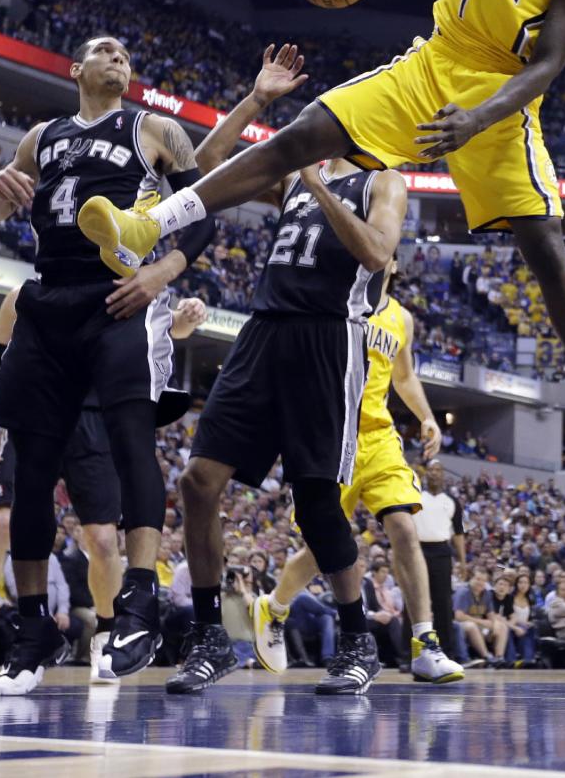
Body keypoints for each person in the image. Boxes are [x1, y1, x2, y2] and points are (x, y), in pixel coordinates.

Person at [77, 0, 565, 483]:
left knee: (542, 241)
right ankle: (148, 224)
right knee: (300, 135)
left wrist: (477, 118)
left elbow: (547, 65)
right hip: (432, 63)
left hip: (498, 95)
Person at [120, 58, 404, 697]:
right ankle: (209, 636)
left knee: (316, 501)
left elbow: (377, 253)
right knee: (198, 481)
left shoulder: (383, 182)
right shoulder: (295, 173)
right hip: (264, 332)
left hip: (329, 339)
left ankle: (359, 642)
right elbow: (207, 171)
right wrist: (253, 99)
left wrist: (320, 185)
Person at [0, 34, 222, 695]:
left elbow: (202, 212)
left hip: (119, 296)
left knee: (132, 439)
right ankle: (34, 629)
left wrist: (164, 270)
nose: (118, 55)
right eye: (102, 49)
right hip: (49, 296)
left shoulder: (154, 128)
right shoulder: (42, 136)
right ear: (77, 68)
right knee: (29, 474)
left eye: (124, 52)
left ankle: (139, 601)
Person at [0, 286, 206, 688]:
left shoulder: (119, 288)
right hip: (33, 409)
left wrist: (188, 315)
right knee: (1, 523)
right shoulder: (25, 294)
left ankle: (104, 635)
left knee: (99, 539)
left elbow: (170, 329)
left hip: (94, 417)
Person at [251, 258, 463, 685]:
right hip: (330, 434)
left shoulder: (401, 317)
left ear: (396, 262)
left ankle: (425, 643)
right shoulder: (334, 296)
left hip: (379, 436)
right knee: (322, 550)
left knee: (404, 526)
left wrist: (426, 416)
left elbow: (404, 377)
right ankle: (274, 606)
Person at [413, 463, 467, 661]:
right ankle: (408, 654)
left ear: (444, 475)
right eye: (431, 470)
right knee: (415, 601)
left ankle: (447, 652)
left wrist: (462, 561)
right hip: (417, 550)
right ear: (426, 475)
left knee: (443, 603)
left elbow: (459, 534)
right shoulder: (415, 496)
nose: (434, 473)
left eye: (438, 470)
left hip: (442, 551)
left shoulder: (452, 501)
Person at [454, 566, 508, 667]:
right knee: (471, 626)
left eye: (484, 580)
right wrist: (481, 622)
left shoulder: (486, 593)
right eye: (478, 579)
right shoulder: (463, 592)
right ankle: (487, 657)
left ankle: (499, 658)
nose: (481, 583)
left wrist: (495, 624)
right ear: (471, 578)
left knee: (502, 626)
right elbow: (459, 616)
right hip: (460, 625)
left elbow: (491, 614)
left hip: (478, 625)